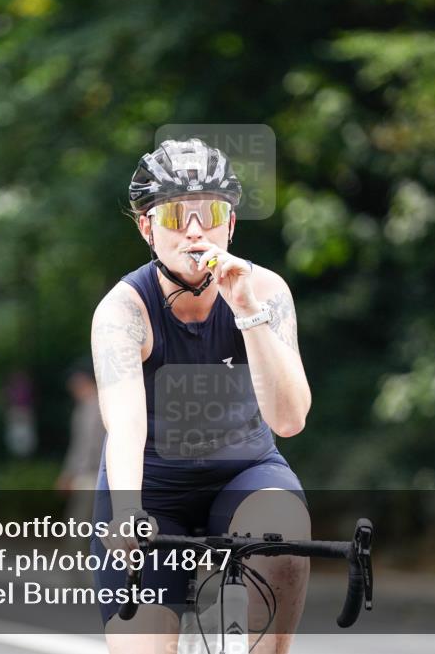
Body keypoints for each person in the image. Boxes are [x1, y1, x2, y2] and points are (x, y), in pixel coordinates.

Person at [90, 138, 312, 654]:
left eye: (210, 213)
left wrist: (246, 309)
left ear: (230, 224)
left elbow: (290, 420)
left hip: (245, 472)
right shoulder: (123, 311)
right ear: (146, 227)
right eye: (174, 216)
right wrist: (126, 515)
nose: (194, 231)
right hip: (151, 490)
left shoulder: (269, 292)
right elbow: (124, 429)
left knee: (283, 536)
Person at [56, 358, 106, 528]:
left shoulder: (92, 405)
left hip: (91, 474)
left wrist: (71, 474)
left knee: (78, 524)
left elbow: (86, 444)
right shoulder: (101, 402)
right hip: (101, 472)